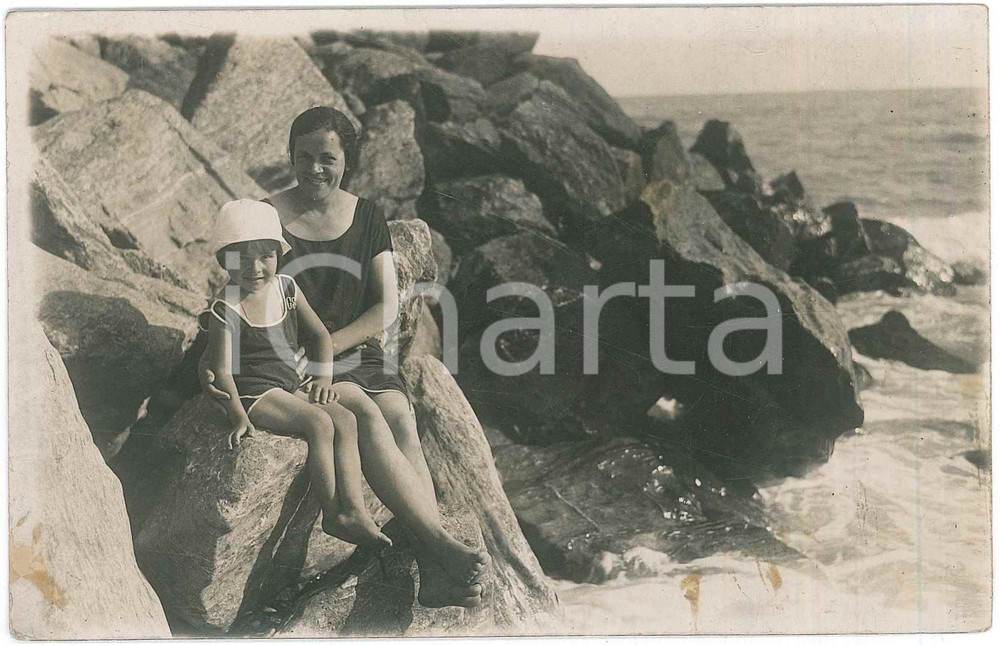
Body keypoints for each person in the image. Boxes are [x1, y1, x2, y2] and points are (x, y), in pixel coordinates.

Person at [202, 108, 488, 606]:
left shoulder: (367, 215)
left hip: (351, 346)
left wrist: (330, 346)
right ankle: (437, 553)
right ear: (290, 156)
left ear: (346, 162)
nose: (315, 169)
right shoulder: (264, 218)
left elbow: (386, 305)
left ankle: (433, 560)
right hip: (290, 357)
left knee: (400, 411)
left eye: (327, 159)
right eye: (304, 157)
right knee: (362, 406)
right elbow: (240, 298)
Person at [205, 199, 390, 550]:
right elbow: (222, 370)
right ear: (223, 261)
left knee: (345, 419)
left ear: (279, 253)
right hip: (256, 391)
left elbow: (320, 336)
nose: (255, 268)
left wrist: (322, 378)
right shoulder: (226, 307)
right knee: (319, 423)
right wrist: (239, 417)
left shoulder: (287, 288)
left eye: (265, 256)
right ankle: (333, 514)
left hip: (292, 382)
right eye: (241, 259)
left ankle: (354, 509)